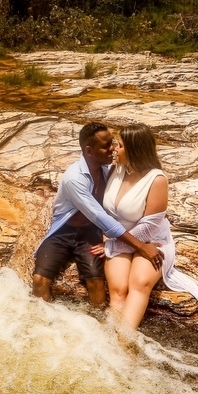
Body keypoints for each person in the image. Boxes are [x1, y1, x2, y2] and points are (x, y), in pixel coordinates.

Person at [97, 124, 198, 344]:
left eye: (120, 145)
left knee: (139, 283)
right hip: (119, 238)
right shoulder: (116, 169)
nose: (115, 148)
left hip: (152, 240)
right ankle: (108, 342)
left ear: (134, 149)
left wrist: (115, 245)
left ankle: (124, 344)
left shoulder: (157, 179)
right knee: (118, 289)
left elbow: (149, 227)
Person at [33, 122, 163, 309]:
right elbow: (99, 216)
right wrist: (140, 246)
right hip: (64, 232)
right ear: (89, 150)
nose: (113, 149)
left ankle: (98, 324)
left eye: (113, 143)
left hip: (90, 233)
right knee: (39, 279)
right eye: (106, 146)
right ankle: (40, 320)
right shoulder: (74, 179)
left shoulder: (108, 168)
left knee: (95, 282)